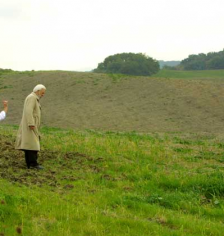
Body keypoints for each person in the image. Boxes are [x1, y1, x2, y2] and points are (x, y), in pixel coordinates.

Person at [15, 84, 46, 169]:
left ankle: (31, 164)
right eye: (42, 93)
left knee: (31, 144)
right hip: (31, 126)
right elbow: (28, 111)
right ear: (38, 91)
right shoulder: (32, 97)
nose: (43, 95)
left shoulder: (34, 98)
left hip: (32, 125)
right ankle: (33, 164)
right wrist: (31, 123)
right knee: (32, 145)